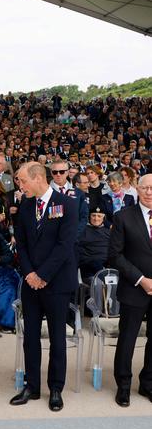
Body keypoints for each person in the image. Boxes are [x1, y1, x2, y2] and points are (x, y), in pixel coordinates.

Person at [11, 162, 79, 412]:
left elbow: (65, 245)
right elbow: (22, 244)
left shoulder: (68, 204)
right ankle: (32, 386)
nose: (20, 185)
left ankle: (56, 388)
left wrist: (43, 275)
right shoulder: (26, 206)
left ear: (38, 178)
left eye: (22, 180)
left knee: (57, 338)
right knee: (30, 337)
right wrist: (29, 273)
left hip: (57, 283)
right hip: (31, 283)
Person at [108, 174, 152, 407]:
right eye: (144, 188)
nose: (149, 192)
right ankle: (123, 386)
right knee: (127, 339)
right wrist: (142, 279)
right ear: (136, 189)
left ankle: (148, 384)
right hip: (135, 288)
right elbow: (115, 255)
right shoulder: (123, 217)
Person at [78, 206, 110, 284]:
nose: (96, 219)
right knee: (98, 283)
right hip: (89, 270)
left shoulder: (109, 232)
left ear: (104, 218)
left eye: (99, 216)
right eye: (93, 215)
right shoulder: (82, 231)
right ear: (89, 217)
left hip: (107, 268)